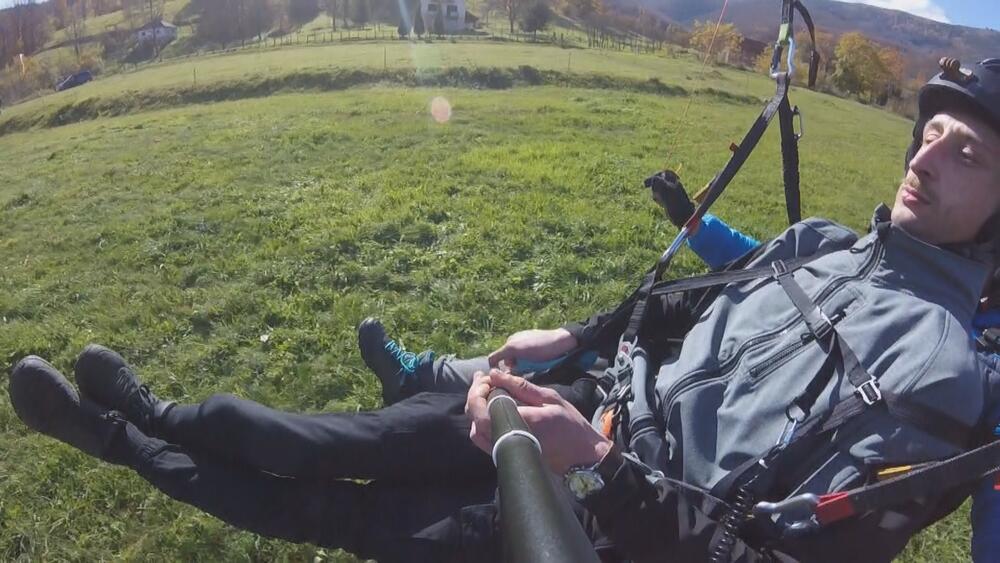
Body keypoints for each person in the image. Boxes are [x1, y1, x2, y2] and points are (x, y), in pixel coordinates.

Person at [10, 58, 1000, 562]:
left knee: (319, 507)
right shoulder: (822, 241)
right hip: (563, 403)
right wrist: (577, 338)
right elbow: (676, 314)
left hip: (588, 522)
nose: (926, 156)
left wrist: (600, 466)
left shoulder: (947, 383)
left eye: (968, 153)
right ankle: (160, 410)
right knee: (301, 435)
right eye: (931, 132)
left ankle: (114, 438)